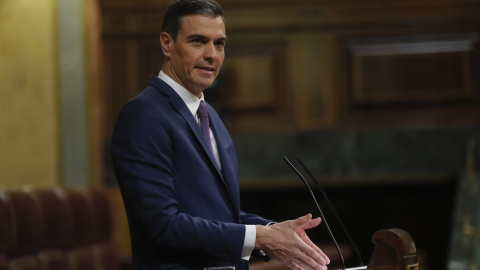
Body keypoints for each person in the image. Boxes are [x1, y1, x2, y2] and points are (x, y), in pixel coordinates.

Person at [110, 0, 330, 269]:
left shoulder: (209, 115)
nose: (212, 54)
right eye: (198, 41)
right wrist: (259, 237)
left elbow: (216, 214)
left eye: (219, 43)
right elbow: (162, 225)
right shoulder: (143, 115)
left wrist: (275, 231)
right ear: (167, 44)